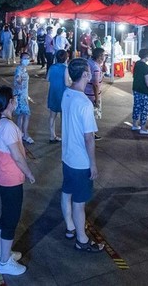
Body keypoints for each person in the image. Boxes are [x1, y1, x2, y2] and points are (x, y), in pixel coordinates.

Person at [0, 87, 36, 276]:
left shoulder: (2, 122)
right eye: (14, 99)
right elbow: (17, 156)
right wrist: (29, 173)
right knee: (10, 220)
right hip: (10, 180)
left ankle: (3, 254)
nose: (16, 101)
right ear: (8, 103)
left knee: (6, 217)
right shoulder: (7, 127)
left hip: (3, 178)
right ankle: (4, 263)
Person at [60, 58, 105, 253]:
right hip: (80, 161)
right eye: (89, 71)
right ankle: (82, 239)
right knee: (79, 203)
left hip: (67, 156)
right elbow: (89, 138)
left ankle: (70, 227)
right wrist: (93, 164)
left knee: (66, 192)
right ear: (85, 74)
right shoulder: (85, 103)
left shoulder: (67, 93)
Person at [131, 48, 148, 135]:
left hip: (136, 89)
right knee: (144, 109)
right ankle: (143, 128)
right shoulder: (146, 67)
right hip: (144, 91)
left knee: (136, 107)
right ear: (146, 56)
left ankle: (135, 124)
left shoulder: (137, 63)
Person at [47, 50, 70, 143]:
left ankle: (52, 136)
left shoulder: (52, 67)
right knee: (63, 116)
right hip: (62, 93)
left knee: (52, 116)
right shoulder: (65, 68)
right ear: (66, 58)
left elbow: (47, 78)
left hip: (53, 92)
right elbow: (67, 83)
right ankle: (64, 135)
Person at [13, 52, 34, 143]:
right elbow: (18, 78)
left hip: (22, 95)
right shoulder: (19, 69)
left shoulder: (23, 68)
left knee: (20, 115)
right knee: (26, 114)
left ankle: (20, 133)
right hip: (21, 96)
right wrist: (20, 83)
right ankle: (25, 134)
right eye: (25, 58)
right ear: (21, 59)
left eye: (28, 58)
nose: (27, 60)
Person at [85, 48, 105, 139]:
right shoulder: (96, 68)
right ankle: (91, 134)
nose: (104, 57)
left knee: (87, 115)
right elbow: (96, 84)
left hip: (86, 92)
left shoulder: (89, 62)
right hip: (92, 95)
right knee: (92, 115)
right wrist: (97, 99)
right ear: (99, 56)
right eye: (103, 55)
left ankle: (88, 133)